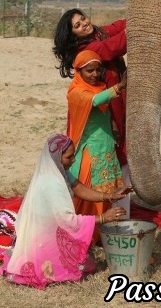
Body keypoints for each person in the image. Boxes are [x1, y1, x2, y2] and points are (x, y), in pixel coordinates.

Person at [0, 134, 130, 289]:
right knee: (79, 267)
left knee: (87, 263)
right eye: (69, 157)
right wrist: (102, 217)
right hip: (44, 237)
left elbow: (79, 188)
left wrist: (109, 196)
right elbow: (68, 221)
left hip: (51, 231)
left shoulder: (58, 171)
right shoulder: (52, 183)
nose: (74, 160)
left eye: (73, 155)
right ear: (56, 157)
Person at [66, 50, 128, 244]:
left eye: (97, 70)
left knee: (109, 190)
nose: (94, 74)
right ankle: (86, 235)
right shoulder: (76, 92)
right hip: (89, 153)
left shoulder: (100, 87)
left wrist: (115, 126)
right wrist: (119, 87)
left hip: (106, 148)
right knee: (87, 195)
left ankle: (103, 234)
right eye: (89, 71)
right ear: (79, 71)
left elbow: (105, 109)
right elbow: (95, 101)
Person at [52, 9, 127, 166]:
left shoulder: (99, 33)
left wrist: (139, 18)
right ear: (73, 35)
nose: (84, 24)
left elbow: (117, 26)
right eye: (77, 25)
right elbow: (113, 46)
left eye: (83, 19)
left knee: (125, 139)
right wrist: (140, 28)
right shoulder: (86, 49)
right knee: (114, 143)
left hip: (117, 96)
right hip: (103, 103)